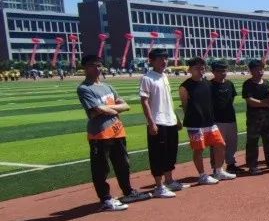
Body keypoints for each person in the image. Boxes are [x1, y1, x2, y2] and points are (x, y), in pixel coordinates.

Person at [78, 54, 151, 211]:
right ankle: (105, 199)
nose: (97, 68)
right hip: (99, 134)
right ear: (84, 67)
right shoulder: (84, 88)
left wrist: (108, 109)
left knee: (123, 164)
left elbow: (125, 106)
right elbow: (97, 109)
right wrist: (110, 108)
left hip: (117, 131)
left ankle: (128, 192)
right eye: (92, 65)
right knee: (101, 168)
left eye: (99, 65)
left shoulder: (108, 87)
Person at [179, 57, 236, 185]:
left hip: (210, 122)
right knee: (199, 150)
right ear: (190, 70)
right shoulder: (185, 86)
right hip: (195, 124)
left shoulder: (208, 83)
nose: (200, 70)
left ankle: (218, 171)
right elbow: (185, 105)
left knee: (220, 144)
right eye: (197, 68)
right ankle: (202, 175)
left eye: (202, 68)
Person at [139, 48, 183, 198]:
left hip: (170, 120)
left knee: (171, 152)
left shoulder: (164, 76)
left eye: (165, 58)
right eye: (160, 59)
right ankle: (159, 186)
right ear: (151, 61)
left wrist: (176, 117)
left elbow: (168, 100)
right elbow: (144, 101)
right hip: (158, 121)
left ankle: (169, 180)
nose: (164, 61)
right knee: (158, 154)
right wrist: (151, 123)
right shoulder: (147, 78)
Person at [242, 60, 269, 175]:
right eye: (258, 69)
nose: (260, 71)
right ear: (251, 70)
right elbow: (250, 101)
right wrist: (266, 103)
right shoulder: (248, 84)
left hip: (268, 117)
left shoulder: (267, 83)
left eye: (262, 69)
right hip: (254, 118)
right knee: (253, 141)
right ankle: (252, 165)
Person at [209, 61, 240, 173]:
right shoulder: (209, 85)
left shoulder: (229, 84)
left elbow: (231, 99)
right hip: (216, 120)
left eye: (224, 70)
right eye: (219, 71)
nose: (222, 73)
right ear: (213, 72)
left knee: (232, 143)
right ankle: (216, 168)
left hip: (230, 118)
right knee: (217, 145)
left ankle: (231, 164)